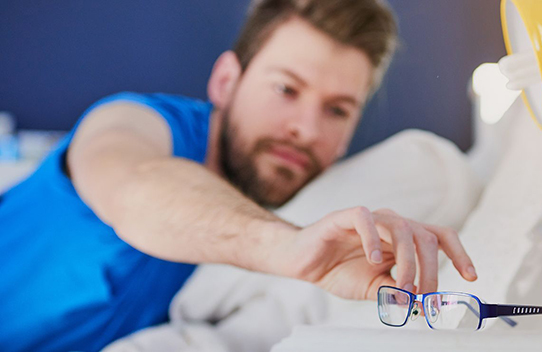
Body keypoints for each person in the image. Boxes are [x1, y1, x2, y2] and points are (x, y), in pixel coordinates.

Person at [0, 0, 478, 350]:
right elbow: (135, 188)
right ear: (226, 82)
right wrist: (291, 247)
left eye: (337, 110)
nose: (306, 129)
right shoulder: (133, 123)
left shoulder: (292, 202)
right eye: (286, 88)